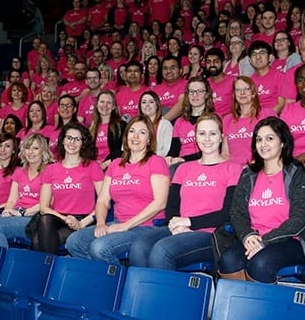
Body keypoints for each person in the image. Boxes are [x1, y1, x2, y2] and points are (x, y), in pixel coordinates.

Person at [218, 116, 305, 282]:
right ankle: (240, 304)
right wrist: (247, 236)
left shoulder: (296, 173)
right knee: (227, 261)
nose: (263, 144)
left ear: (282, 142)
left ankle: (264, 306)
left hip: (290, 239)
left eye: (270, 138)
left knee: (260, 264)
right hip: (255, 237)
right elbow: (237, 212)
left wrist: (265, 241)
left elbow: (298, 219)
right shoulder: (249, 174)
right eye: (259, 139)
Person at [129, 113, 243, 270]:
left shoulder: (233, 169)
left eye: (213, 133)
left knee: (162, 251)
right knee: (139, 247)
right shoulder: (183, 168)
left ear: (221, 137)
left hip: (209, 234)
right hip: (178, 229)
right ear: (195, 137)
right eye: (202, 133)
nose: (207, 139)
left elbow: (228, 213)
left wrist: (189, 222)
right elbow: (172, 207)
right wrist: (177, 225)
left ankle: (168, 295)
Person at [66, 115, 171, 263]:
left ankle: (119, 280)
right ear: (126, 136)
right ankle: (106, 275)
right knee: (74, 242)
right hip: (117, 222)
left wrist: (125, 226)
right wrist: (101, 223)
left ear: (149, 139)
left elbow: (160, 203)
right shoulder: (115, 164)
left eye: (142, 132)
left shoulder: (156, 162)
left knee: (99, 248)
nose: (135, 136)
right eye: (132, 131)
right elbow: (102, 200)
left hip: (146, 226)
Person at [30, 124, 103, 254]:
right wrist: (65, 219)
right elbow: (44, 207)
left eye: (77, 139)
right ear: (63, 140)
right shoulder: (50, 169)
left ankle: (49, 271)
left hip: (84, 219)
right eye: (69, 138)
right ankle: (52, 270)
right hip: (59, 218)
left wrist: (83, 222)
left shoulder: (92, 166)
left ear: (83, 143)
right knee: (45, 219)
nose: (72, 142)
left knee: (37, 240)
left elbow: (104, 201)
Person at [0, 133, 50, 248]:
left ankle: (2, 263)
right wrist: (8, 210)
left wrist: (22, 213)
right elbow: (12, 199)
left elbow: (46, 204)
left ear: (43, 151)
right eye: (27, 148)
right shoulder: (19, 171)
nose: (30, 152)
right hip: (16, 213)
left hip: (34, 217)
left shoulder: (49, 171)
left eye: (35, 148)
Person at [222, 76, 273, 167]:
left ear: (253, 93)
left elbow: (274, 147)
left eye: (246, 89)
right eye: (238, 89)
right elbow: (225, 154)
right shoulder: (227, 119)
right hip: (234, 171)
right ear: (234, 95)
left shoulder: (267, 114)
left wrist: (252, 166)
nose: (242, 93)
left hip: (260, 168)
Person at [167, 77, 215, 166]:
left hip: (204, 163)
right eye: (191, 91)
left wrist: (184, 160)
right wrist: (169, 158)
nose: (195, 95)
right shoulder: (179, 121)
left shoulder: (213, 120)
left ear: (207, 94)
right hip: (181, 165)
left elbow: (212, 151)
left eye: (200, 91)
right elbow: (174, 150)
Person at [89, 91, 126, 170]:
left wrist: (106, 164)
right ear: (97, 105)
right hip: (94, 167)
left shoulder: (121, 126)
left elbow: (124, 151)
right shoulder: (91, 128)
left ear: (113, 107)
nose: (105, 105)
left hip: (113, 166)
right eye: (102, 102)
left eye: (109, 102)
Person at [247, 41, 284, 113]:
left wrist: (265, 117)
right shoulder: (249, 81)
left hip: (274, 117)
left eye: (262, 53)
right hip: (256, 117)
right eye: (254, 54)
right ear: (250, 60)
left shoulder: (280, 76)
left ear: (270, 57)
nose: (258, 57)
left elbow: (281, 104)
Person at [138, 91, 173, 157]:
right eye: (144, 102)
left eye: (151, 102)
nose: (147, 105)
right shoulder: (134, 125)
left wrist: (145, 155)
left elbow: (166, 150)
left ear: (157, 105)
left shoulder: (166, 125)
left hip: (157, 161)